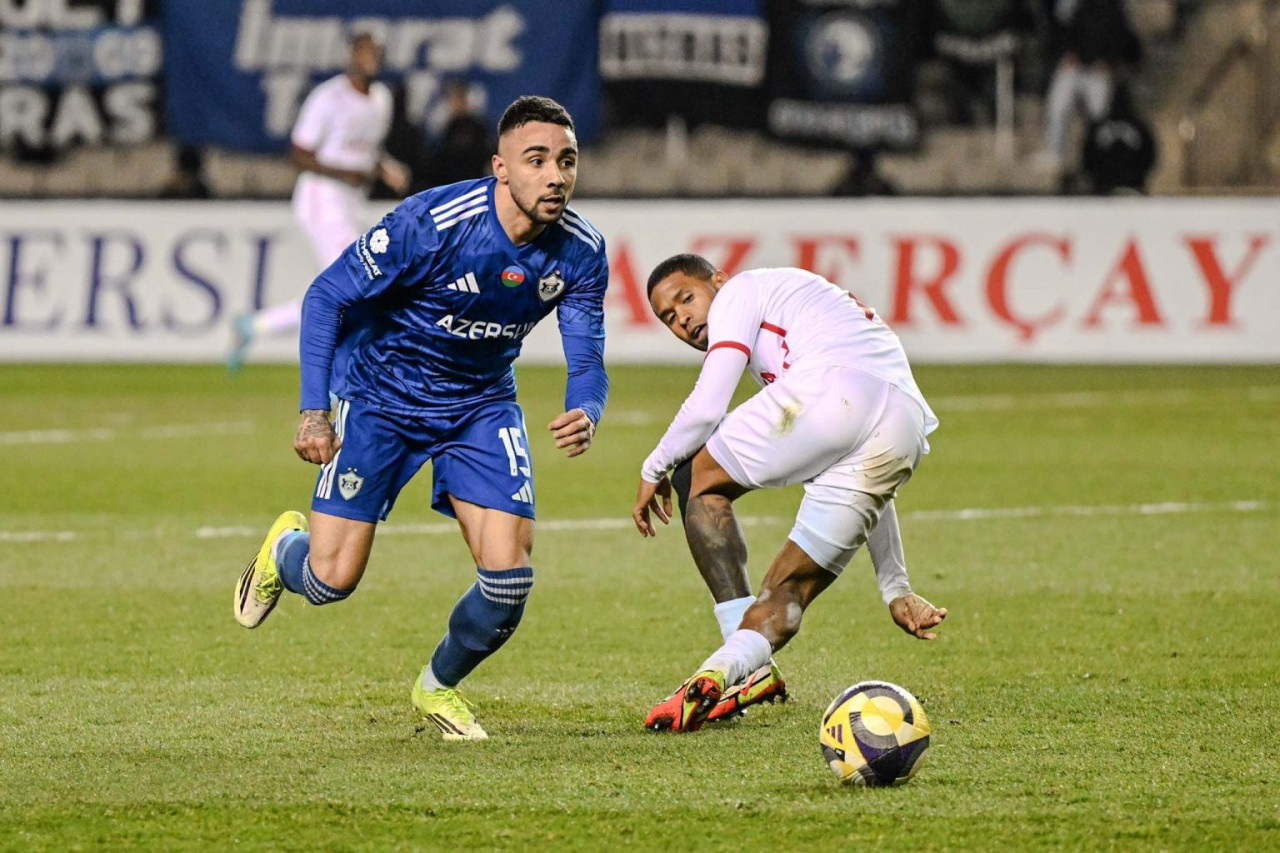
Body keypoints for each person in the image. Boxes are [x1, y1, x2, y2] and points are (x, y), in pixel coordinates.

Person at [233, 96, 609, 742]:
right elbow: (327, 295)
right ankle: (283, 552)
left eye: (566, 161)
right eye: (537, 160)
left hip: (479, 404)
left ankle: (437, 685)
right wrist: (314, 411)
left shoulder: (580, 251)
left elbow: (587, 362)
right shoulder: (433, 223)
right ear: (500, 167)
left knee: (509, 579)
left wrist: (586, 408)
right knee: (330, 582)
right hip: (381, 396)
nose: (555, 176)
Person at [632, 255, 946, 733]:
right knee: (787, 594)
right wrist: (895, 588)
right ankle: (726, 670)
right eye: (669, 318)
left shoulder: (741, 292)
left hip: (826, 393)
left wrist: (654, 465)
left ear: (719, 280)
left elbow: (708, 406)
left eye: (686, 299)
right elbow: (864, 447)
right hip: (900, 426)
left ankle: (742, 663)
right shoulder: (802, 317)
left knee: (690, 480)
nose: (684, 320)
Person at [227, 32, 411, 371]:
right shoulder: (328, 97)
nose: (372, 59)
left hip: (352, 201)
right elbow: (298, 155)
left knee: (340, 290)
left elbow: (369, 149)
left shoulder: (382, 98)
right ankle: (354, 370)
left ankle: (253, 326)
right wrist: (344, 173)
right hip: (321, 199)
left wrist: (387, 169)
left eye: (377, 53)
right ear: (352, 55)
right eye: (366, 52)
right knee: (358, 282)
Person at [1038, 0, 1142, 168]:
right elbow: (1065, 31)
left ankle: (1097, 157)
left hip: (1099, 72)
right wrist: (1067, 53)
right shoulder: (1077, 6)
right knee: (1057, 107)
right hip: (1074, 66)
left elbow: (1122, 37)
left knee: (1099, 117)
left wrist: (1108, 61)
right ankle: (1054, 153)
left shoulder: (1115, 9)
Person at [1079, 83, 1157, 195]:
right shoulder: (1140, 126)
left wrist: (1097, 178)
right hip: (1132, 185)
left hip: (1104, 187)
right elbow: (1150, 155)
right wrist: (1138, 176)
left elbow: (1087, 157)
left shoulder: (1098, 126)